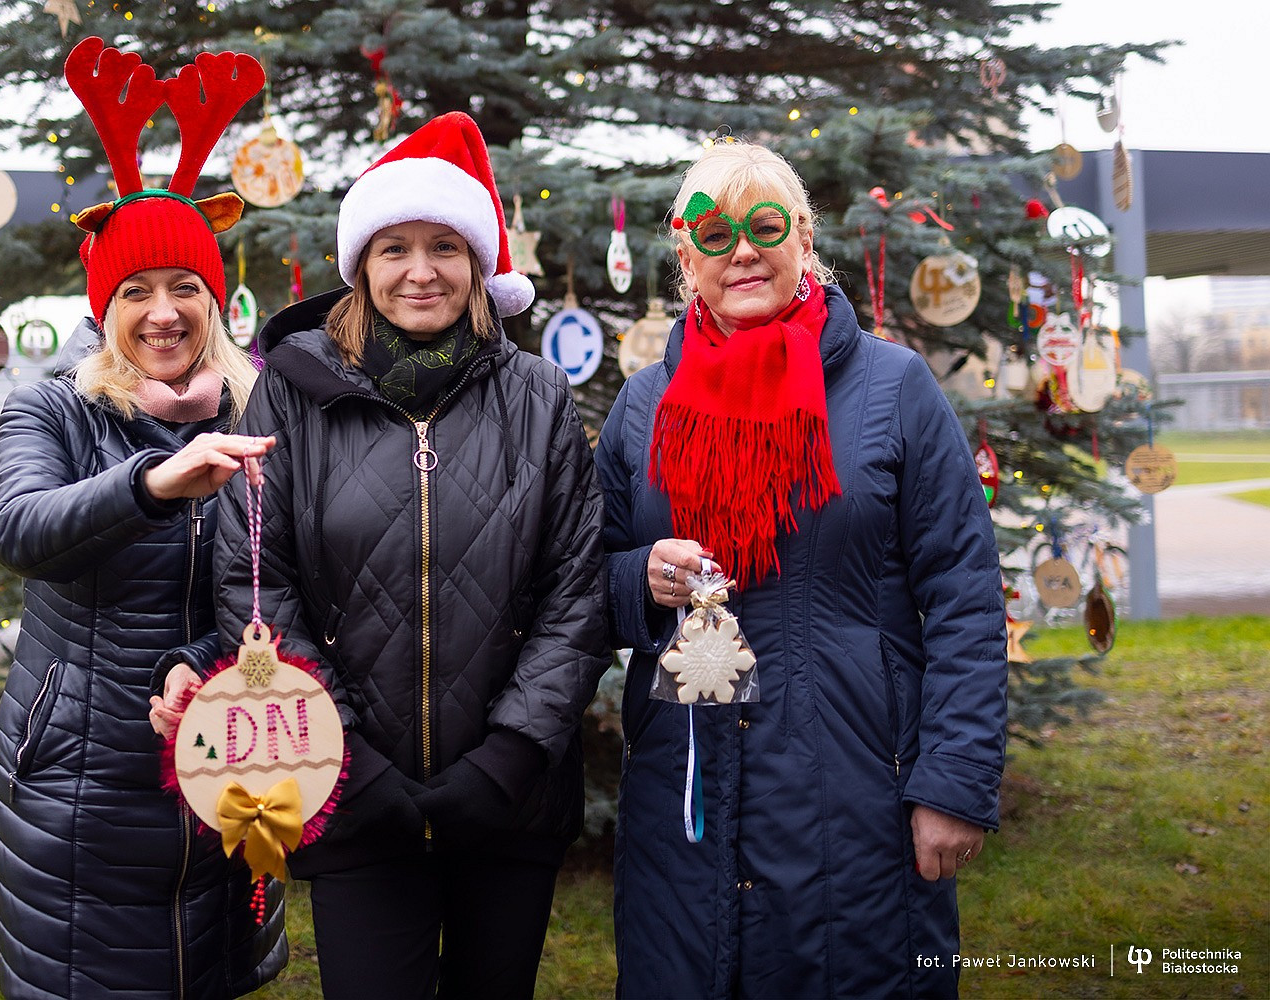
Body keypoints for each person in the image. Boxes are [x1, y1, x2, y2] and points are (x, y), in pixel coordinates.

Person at [152, 111, 610, 1000]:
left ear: (479, 264)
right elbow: (257, 580)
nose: (420, 271)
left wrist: (513, 753)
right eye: (394, 247)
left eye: (445, 246)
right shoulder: (293, 391)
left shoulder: (539, 396)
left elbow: (575, 591)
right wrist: (346, 757)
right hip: (354, 795)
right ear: (361, 265)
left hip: (508, 798)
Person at [597, 140, 1008, 998]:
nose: (742, 252)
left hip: (857, 796)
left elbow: (964, 596)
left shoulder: (894, 387)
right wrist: (639, 578)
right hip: (683, 799)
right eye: (715, 234)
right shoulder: (642, 406)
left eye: (766, 226)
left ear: (804, 240)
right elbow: (580, 584)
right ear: (686, 258)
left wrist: (954, 784)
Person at [0, 37, 284, 999]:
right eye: (137, 292)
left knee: (214, 976)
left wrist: (208, 659)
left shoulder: (262, 411)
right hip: (82, 784)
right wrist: (151, 484)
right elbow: (20, 528)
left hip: (229, 760)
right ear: (104, 307)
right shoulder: (53, 409)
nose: (164, 313)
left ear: (214, 300)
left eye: (185, 287)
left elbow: (285, 580)